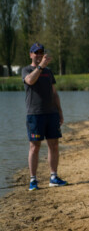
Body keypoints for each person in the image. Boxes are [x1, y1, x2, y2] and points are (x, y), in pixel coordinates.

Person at [22, 43, 67, 191]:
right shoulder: (27, 70)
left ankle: (54, 177)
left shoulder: (49, 72)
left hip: (51, 113)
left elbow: (54, 93)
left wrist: (60, 111)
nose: (39, 55)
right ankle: (33, 180)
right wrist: (40, 66)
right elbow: (30, 81)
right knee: (34, 147)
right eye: (36, 53)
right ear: (31, 54)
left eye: (41, 52)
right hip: (35, 114)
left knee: (54, 145)